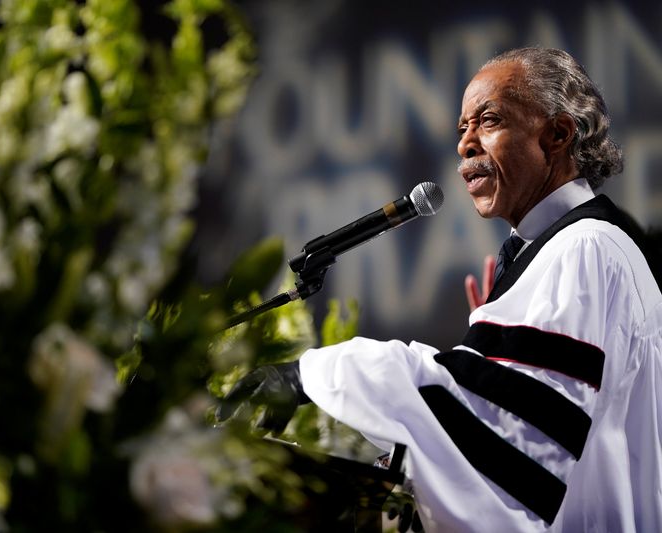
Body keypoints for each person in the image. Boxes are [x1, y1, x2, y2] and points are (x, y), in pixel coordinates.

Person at [217, 47, 662, 532]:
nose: (465, 144)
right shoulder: (566, 251)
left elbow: (507, 436)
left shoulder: (585, 248)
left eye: (488, 120)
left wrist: (313, 374)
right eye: (461, 129)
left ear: (557, 134)